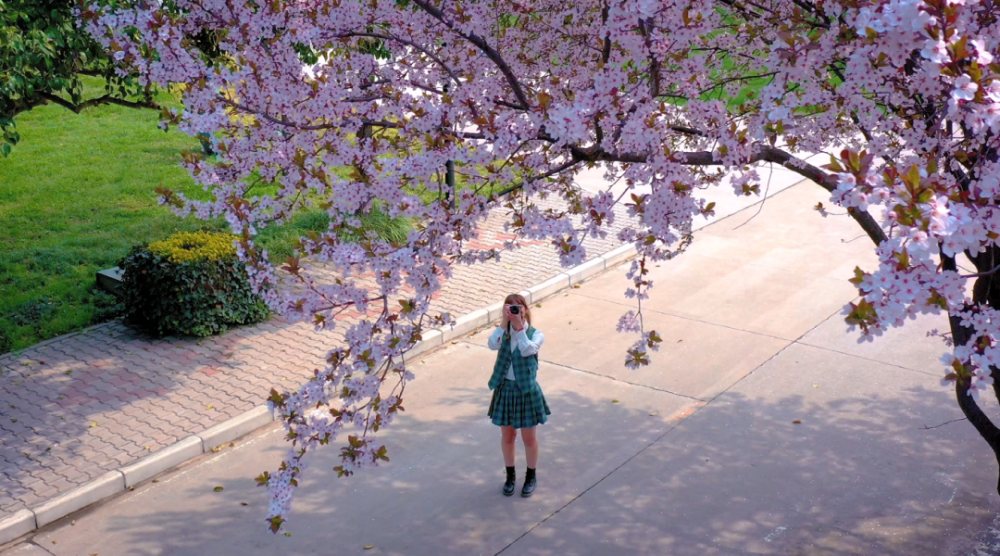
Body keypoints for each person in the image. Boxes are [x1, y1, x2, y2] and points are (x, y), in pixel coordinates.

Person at [486, 293, 550, 497]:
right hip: (505, 389)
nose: (514, 311)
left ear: (525, 310)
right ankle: (510, 476)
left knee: (529, 438)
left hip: (526, 391)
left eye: (517, 307)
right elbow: (491, 344)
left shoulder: (536, 334)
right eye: (510, 307)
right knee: (507, 436)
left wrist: (520, 328)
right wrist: (504, 323)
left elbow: (527, 350)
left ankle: (531, 475)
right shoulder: (502, 333)